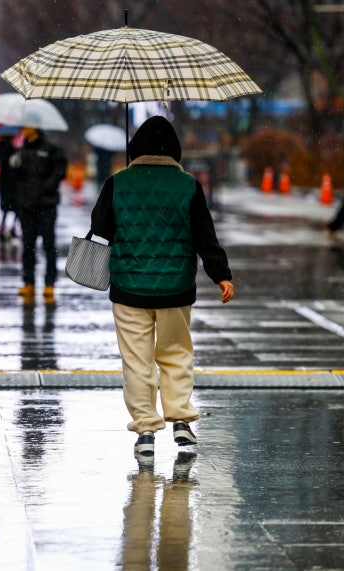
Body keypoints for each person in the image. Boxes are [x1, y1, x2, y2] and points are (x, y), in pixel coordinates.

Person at [90, 116, 234, 463]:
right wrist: (221, 275)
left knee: (137, 361)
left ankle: (145, 432)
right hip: (176, 288)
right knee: (176, 353)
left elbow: (100, 228)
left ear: (134, 149)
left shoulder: (117, 182)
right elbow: (205, 235)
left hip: (129, 287)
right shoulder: (188, 185)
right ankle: (181, 418)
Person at [10, 125, 68, 303]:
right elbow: (15, 176)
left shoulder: (52, 149)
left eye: (26, 125)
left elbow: (60, 171)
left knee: (49, 245)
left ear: (34, 127)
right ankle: (29, 282)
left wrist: (47, 188)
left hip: (46, 205)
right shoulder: (21, 150)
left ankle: (49, 283)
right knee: (27, 245)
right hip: (26, 206)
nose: (22, 128)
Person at [0, 133, 18, 241]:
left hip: (3, 181)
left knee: (5, 209)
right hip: (12, 182)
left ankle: (2, 230)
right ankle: (12, 229)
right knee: (16, 207)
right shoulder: (11, 149)